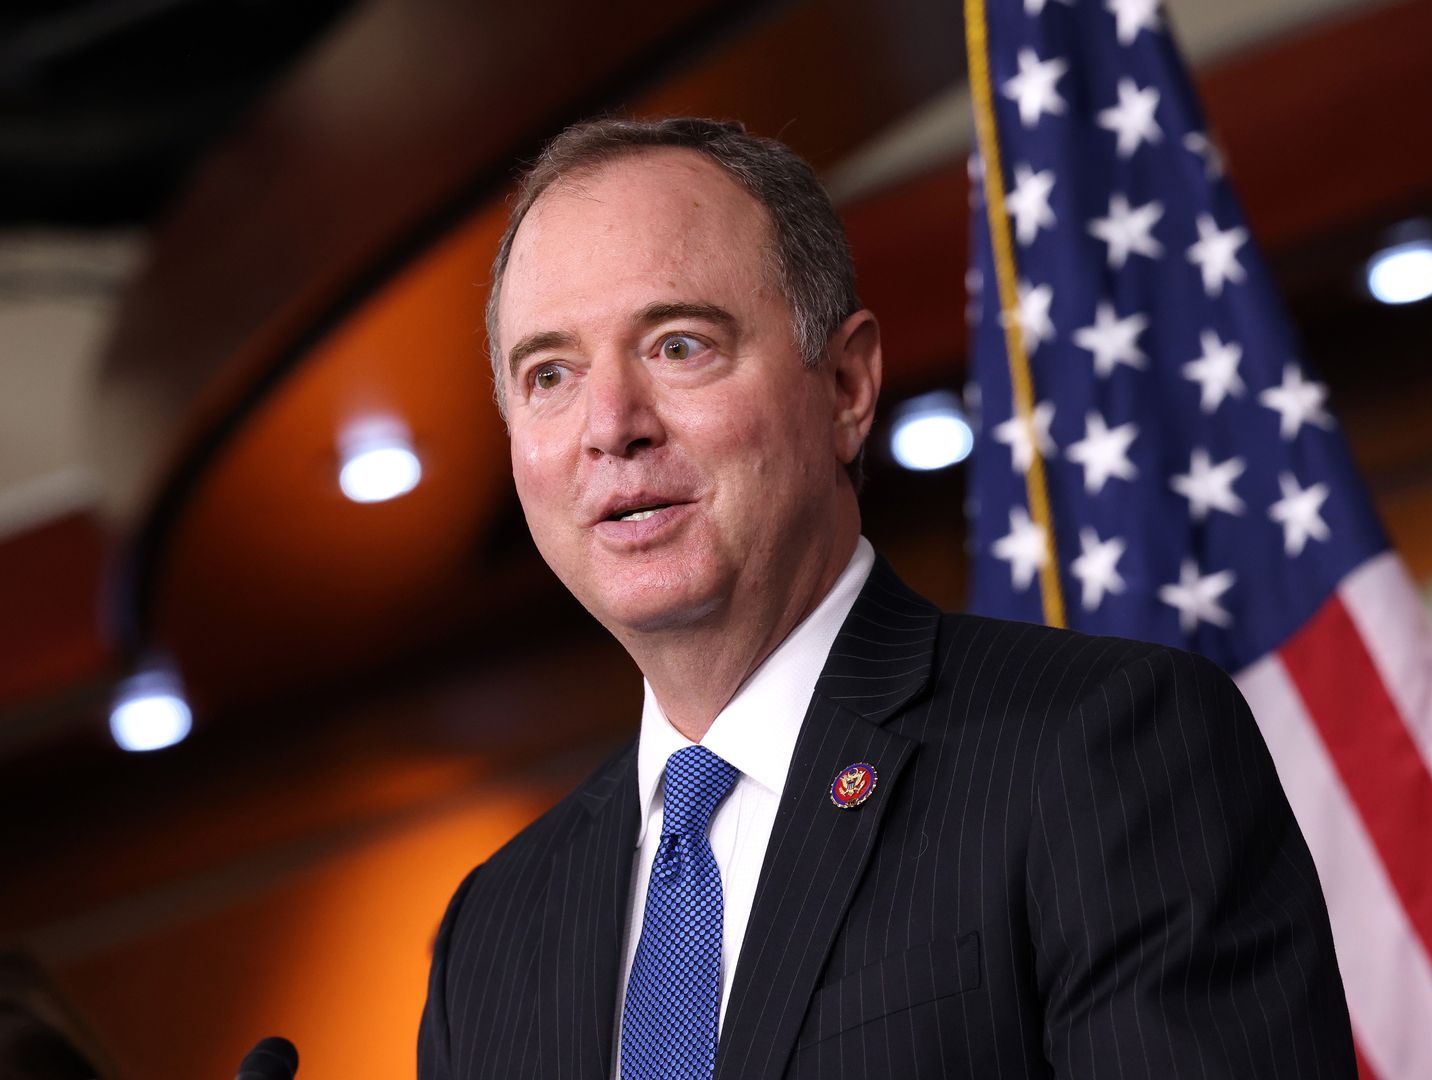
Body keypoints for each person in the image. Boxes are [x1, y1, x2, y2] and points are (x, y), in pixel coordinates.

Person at [418, 116, 1354, 1080]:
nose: (610, 426)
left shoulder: (1108, 746)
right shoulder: (493, 930)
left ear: (848, 385)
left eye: (678, 345)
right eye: (551, 375)